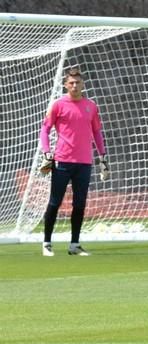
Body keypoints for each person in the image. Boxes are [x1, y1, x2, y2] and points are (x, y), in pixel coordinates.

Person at [39, 68, 108, 256]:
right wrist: (47, 154)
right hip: (62, 161)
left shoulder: (91, 106)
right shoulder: (58, 105)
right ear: (65, 84)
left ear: (83, 84)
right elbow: (44, 130)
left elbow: (96, 132)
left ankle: (74, 245)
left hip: (84, 163)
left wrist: (103, 157)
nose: (75, 85)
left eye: (78, 82)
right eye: (71, 82)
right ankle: (46, 243)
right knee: (55, 202)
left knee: (80, 204)